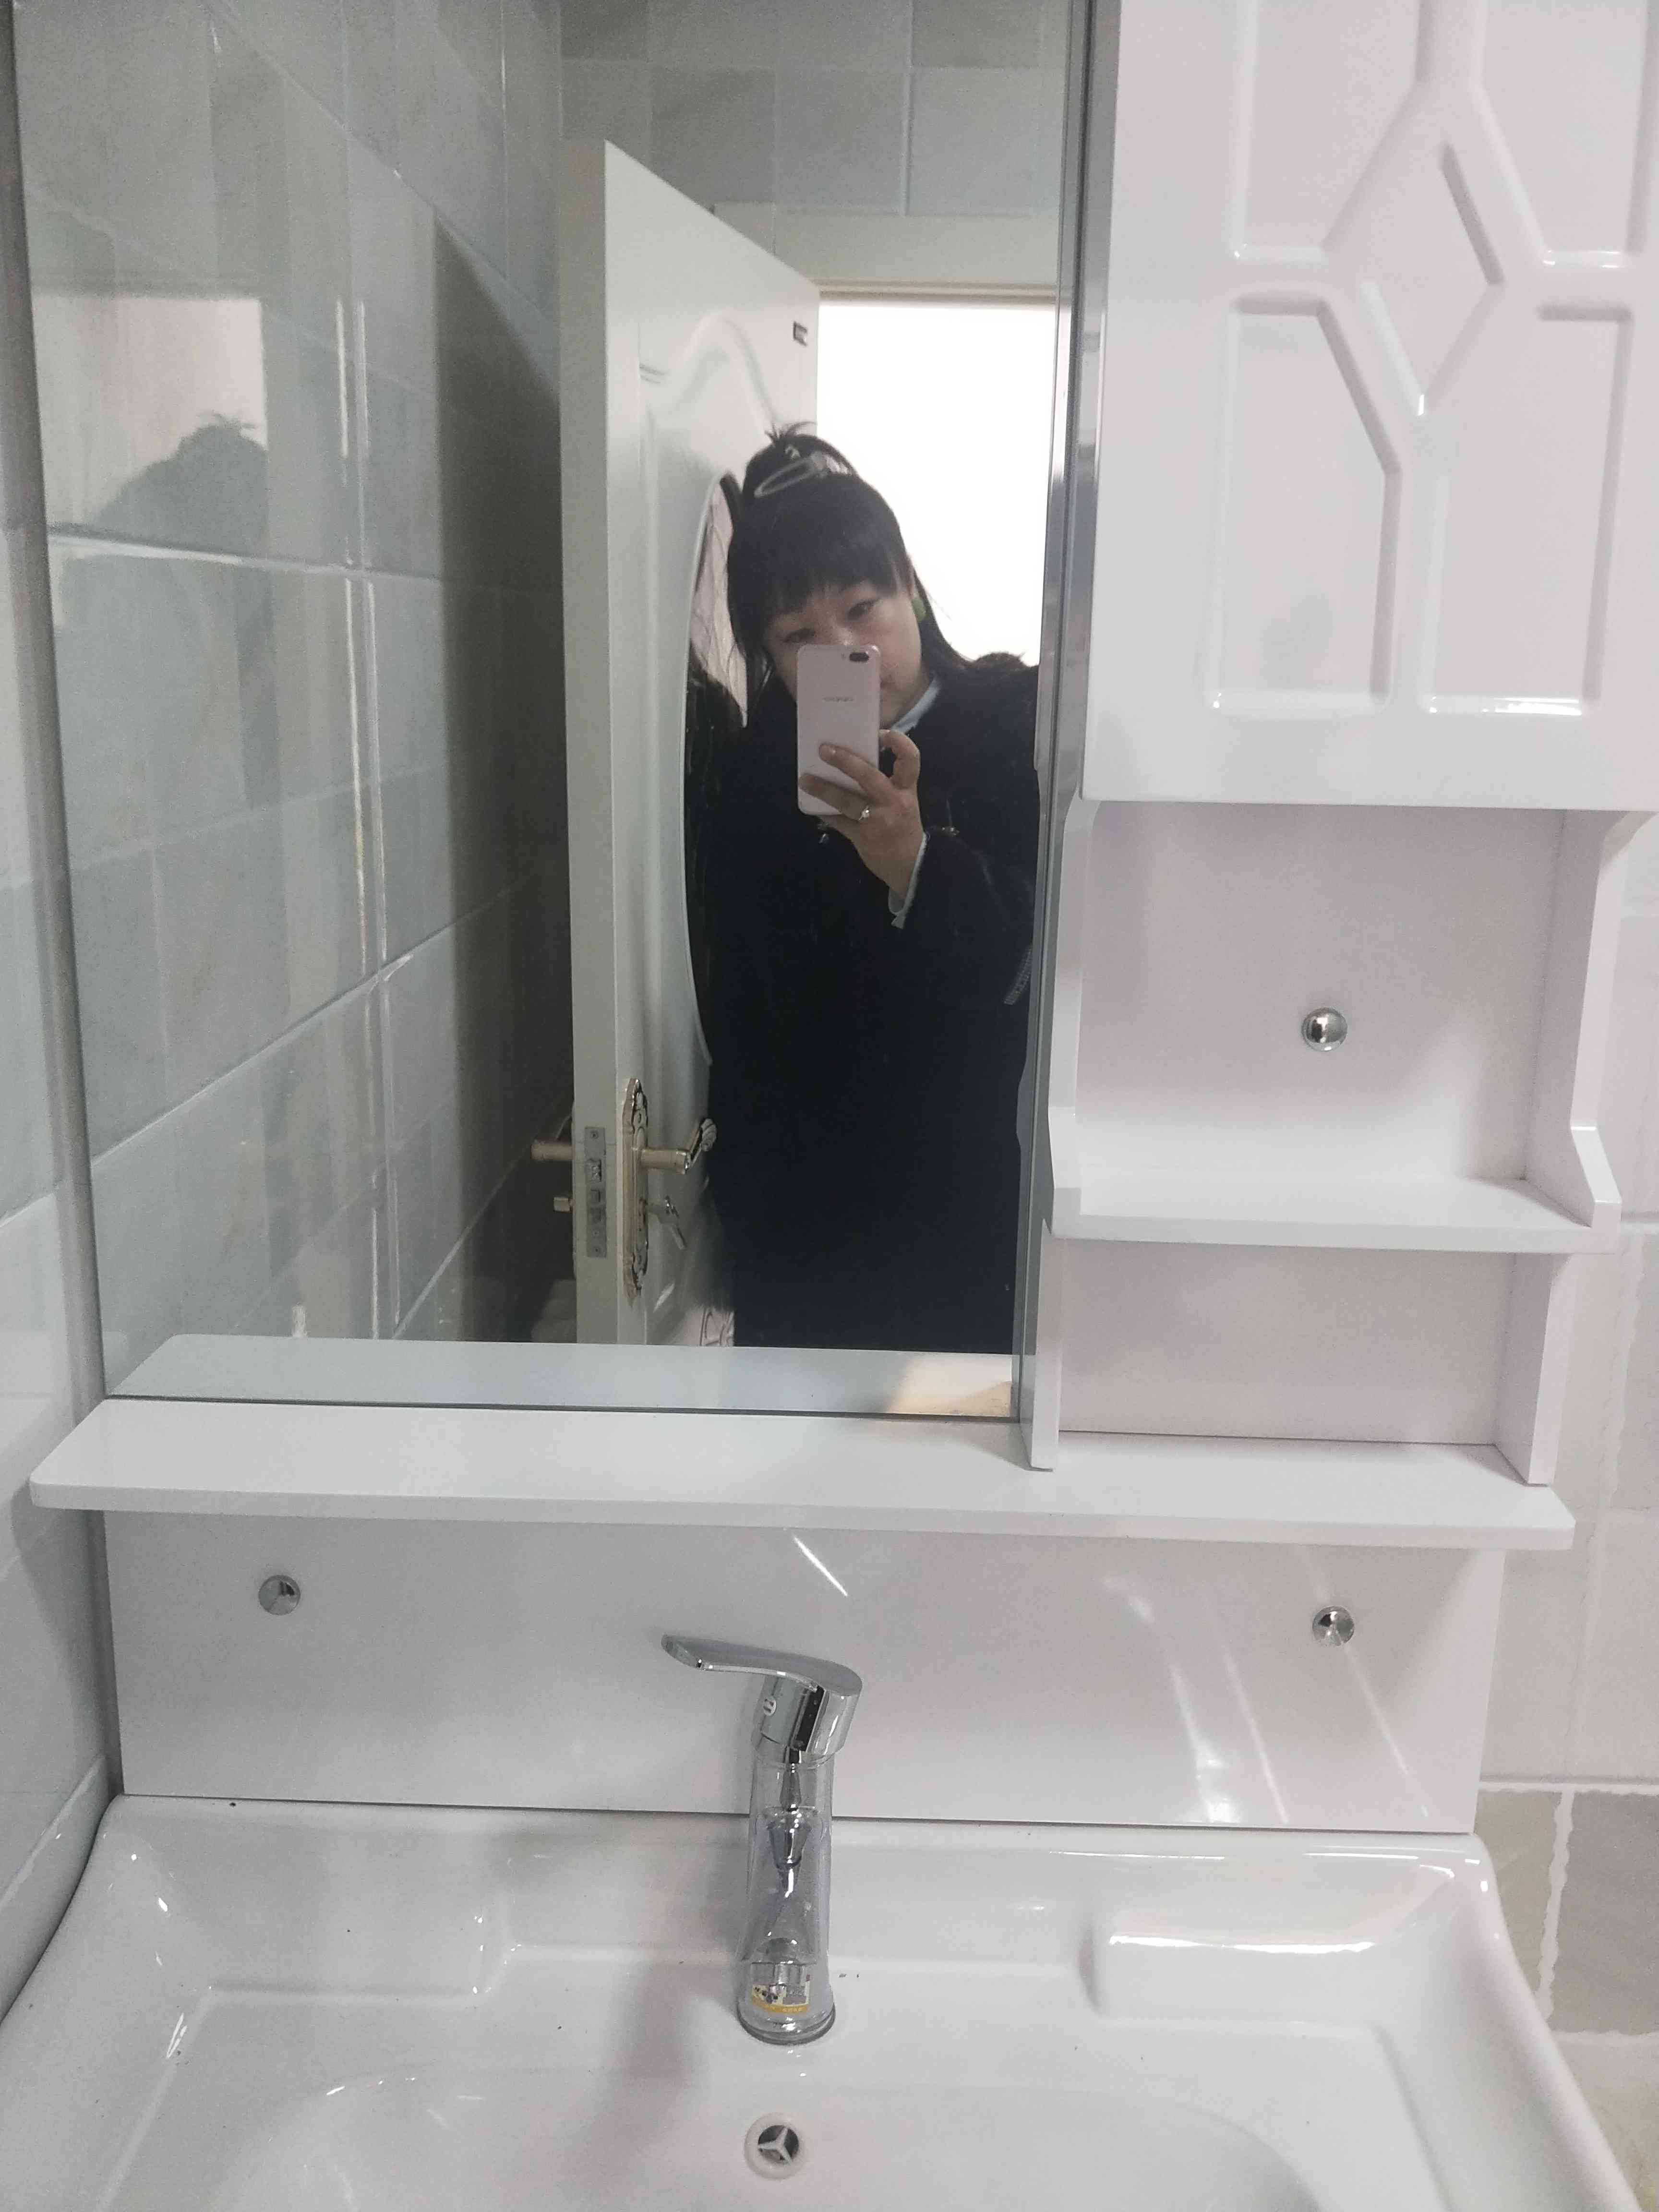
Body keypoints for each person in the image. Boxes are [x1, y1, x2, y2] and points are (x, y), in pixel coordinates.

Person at [701, 431, 1041, 1352]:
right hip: (808, 1230)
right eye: (798, 635)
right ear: (768, 653)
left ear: (912, 591)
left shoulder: (1021, 726)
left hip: (975, 1213)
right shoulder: (751, 776)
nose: (846, 649)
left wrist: (918, 863)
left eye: (863, 608)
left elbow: (1045, 960)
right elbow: (739, 1004)